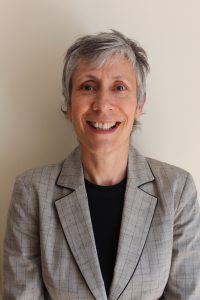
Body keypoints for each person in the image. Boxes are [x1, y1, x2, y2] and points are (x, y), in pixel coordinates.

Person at [3, 30, 200, 300]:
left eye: (119, 88)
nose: (102, 104)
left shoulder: (177, 190)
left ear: (139, 104)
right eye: (88, 86)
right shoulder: (32, 191)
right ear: (69, 104)